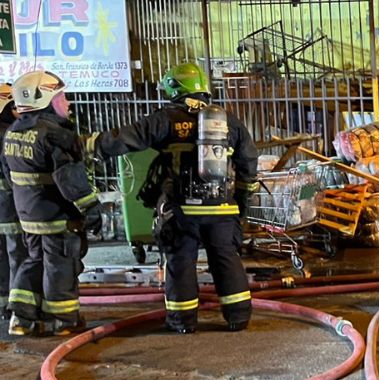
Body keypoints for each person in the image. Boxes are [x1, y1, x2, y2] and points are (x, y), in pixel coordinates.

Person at [87, 63, 259, 334]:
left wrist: (91, 145)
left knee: (181, 262)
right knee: (226, 258)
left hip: (182, 209)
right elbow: (249, 160)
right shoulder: (228, 121)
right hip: (222, 208)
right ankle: (238, 317)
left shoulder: (165, 119)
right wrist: (240, 202)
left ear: (174, 89)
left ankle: (183, 322)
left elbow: (128, 138)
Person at [1, 71, 100, 337]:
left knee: (34, 262)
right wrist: (91, 208)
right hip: (57, 216)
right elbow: (70, 179)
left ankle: (21, 318)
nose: (66, 103)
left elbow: (9, 175)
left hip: (29, 216)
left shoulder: (13, 132)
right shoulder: (54, 134)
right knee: (60, 265)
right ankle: (64, 321)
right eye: (61, 97)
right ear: (45, 99)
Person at [0, 83, 29, 323]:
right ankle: (15, 305)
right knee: (17, 254)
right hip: (9, 206)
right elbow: (11, 174)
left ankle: (4, 303)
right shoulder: (9, 135)